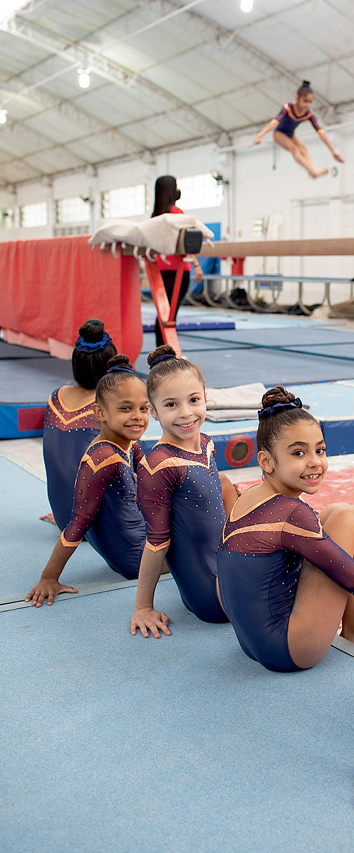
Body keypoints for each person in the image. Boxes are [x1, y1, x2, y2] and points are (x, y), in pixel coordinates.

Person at [217, 386, 354, 672]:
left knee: (334, 515)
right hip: (289, 649)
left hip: (251, 641)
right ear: (266, 461)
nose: (314, 461)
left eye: (320, 450)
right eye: (299, 452)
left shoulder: (252, 497)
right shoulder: (292, 513)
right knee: (352, 518)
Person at [25, 357, 150, 607]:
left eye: (144, 408)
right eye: (126, 408)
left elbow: (152, 478)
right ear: (100, 412)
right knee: (220, 491)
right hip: (139, 558)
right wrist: (48, 577)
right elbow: (78, 522)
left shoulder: (127, 444)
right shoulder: (102, 458)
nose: (137, 417)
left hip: (140, 543)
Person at [131, 347, 237, 637]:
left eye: (193, 400)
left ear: (205, 397)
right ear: (153, 411)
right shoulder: (158, 466)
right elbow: (156, 543)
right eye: (171, 405)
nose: (186, 413)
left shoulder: (206, 443)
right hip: (212, 595)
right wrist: (142, 607)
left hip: (226, 567)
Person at [42, 319, 117, 529]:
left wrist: (64, 513)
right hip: (95, 525)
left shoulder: (56, 396)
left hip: (63, 516)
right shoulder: (106, 405)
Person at [251, 80, 343, 179]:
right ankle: (312, 171)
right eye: (305, 101)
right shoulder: (288, 108)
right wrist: (261, 135)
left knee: (303, 149)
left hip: (291, 134)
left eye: (310, 102)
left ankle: (313, 170)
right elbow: (275, 122)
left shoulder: (308, 114)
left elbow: (321, 132)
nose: (307, 104)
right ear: (297, 98)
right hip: (279, 133)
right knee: (294, 149)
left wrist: (333, 151)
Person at [151, 175, 203, 344]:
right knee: (170, 315)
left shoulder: (156, 215)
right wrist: (197, 266)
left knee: (163, 313)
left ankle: (161, 349)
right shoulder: (175, 212)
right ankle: (166, 351)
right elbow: (187, 242)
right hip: (178, 271)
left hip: (161, 270)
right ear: (170, 191)